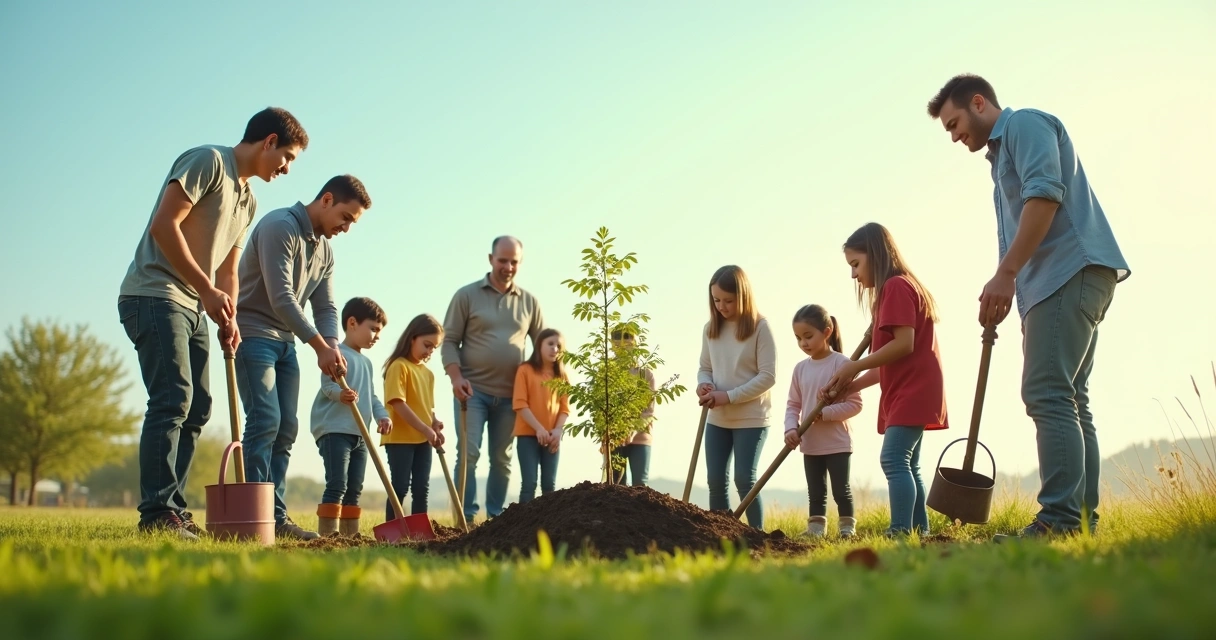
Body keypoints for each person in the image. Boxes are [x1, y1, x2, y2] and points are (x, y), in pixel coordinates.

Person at [927, 74, 1130, 539]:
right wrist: (1008, 283)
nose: (956, 137)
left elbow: (1045, 194)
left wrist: (1007, 273)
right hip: (1063, 277)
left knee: (1046, 392)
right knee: (1071, 398)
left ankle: (1058, 520)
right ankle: (1079, 521)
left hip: (1067, 270)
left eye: (955, 124)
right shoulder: (999, 161)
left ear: (979, 103)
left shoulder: (1024, 126)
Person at [117, 107, 308, 539]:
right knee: (173, 398)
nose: (287, 169)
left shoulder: (249, 200)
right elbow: (165, 226)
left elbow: (228, 271)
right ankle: (156, 514)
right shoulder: (207, 161)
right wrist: (206, 291)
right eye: (288, 157)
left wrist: (230, 317)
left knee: (198, 407)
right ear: (269, 142)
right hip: (153, 292)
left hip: (192, 302)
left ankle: (175, 510)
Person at [234, 174, 373, 540]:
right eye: (345, 218)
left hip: (286, 341)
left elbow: (325, 305)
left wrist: (331, 344)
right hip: (253, 335)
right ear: (326, 200)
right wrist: (319, 346)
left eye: (352, 223)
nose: (346, 228)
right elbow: (282, 298)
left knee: (286, 428)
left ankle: (276, 520)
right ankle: (254, 517)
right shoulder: (280, 226)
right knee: (265, 419)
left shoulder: (325, 251)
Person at [822, 222, 948, 538]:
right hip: (909, 388)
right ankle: (920, 533)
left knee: (893, 459)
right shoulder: (899, 289)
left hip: (913, 390)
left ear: (875, 255)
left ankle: (900, 532)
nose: (853, 274)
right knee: (909, 464)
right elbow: (885, 365)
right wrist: (849, 386)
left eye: (856, 264)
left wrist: (853, 366)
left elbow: (903, 343)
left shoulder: (895, 287)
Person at [441, 236, 545, 521]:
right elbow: (449, 340)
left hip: (512, 398)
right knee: (469, 455)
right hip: (471, 392)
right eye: (503, 260)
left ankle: (496, 519)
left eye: (514, 262)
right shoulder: (466, 295)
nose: (508, 267)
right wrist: (455, 377)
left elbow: (542, 348)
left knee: (502, 459)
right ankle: (466, 518)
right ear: (490, 259)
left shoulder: (530, 302)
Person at [696, 265, 776, 529]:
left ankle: (758, 536)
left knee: (744, 479)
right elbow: (705, 368)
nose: (721, 306)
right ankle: (720, 537)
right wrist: (704, 385)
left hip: (751, 418)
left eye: (728, 301)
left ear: (743, 296)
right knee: (716, 480)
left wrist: (728, 396)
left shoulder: (760, 327)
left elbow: (768, 377)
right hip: (717, 417)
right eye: (716, 300)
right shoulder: (711, 328)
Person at [308, 297, 392, 537]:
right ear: (352, 323)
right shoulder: (336, 354)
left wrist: (382, 415)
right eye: (373, 329)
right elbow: (327, 386)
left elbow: (371, 396)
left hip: (360, 433)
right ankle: (328, 535)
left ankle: (349, 535)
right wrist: (340, 394)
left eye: (379, 332)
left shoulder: (366, 363)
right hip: (335, 429)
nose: (376, 336)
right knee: (338, 483)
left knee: (355, 487)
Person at [784, 304, 862, 538]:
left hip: (837, 441)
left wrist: (824, 414)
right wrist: (790, 428)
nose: (803, 343)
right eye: (798, 338)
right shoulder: (800, 369)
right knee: (816, 492)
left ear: (827, 332)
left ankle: (847, 529)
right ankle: (816, 530)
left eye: (808, 336)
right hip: (810, 442)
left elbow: (855, 404)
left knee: (841, 490)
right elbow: (793, 405)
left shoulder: (842, 364)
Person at [381, 314, 446, 522]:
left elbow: (426, 407)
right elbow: (398, 403)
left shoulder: (428, 374)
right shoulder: (399, 366)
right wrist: (425, 428)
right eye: (426, 345)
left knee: (421, 489)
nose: (429, 352)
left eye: (433, 348)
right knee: (399, 487)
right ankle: (393, 531)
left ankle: (419, 534)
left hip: (423, 439)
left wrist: (433, 423)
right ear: (412, 338)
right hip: (400, 438)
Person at [512, 328, 570, 503]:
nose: (555, 349)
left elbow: (564, 408)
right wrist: (539, 429)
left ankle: (547, 528)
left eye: (558, 346)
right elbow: (520, 404)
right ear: (539, 346)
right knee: (529, 484)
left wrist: (558, 431)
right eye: (550, 344)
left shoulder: (562, 377)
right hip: (527, 436)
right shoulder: (525, 370)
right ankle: (522, 527)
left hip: (552, 438)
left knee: (549, 485)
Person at [609, 329, 657, 487]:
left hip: (640, 437)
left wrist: (632, 430)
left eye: (627, 344)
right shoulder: (607, 374)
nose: (622, 349)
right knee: (616, 486)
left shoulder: (645, 375)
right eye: (618, 345)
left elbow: (648, 412)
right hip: (614, 439)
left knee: (640, 486)